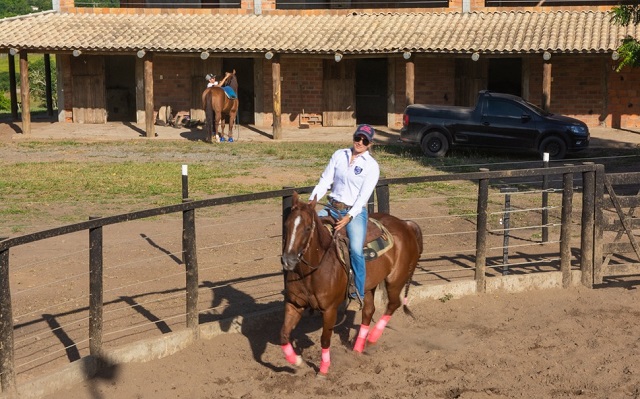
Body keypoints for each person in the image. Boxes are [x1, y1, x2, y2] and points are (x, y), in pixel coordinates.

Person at [309, 124, 380, 305]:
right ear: (354, 137)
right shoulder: (339, 155)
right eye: (358, 138)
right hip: (331, 207)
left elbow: (364, 196)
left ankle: (358, 290)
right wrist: (312, 201)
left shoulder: (371, 166)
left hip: (354, 212)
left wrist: (348, 218)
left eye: (365, 140)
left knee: (356, 250)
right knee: (308, 232)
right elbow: (325, 180)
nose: (360, 142)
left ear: (370, 144)